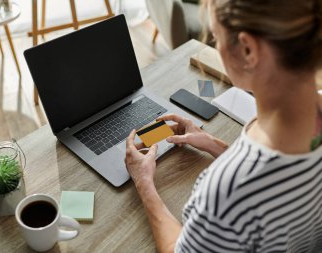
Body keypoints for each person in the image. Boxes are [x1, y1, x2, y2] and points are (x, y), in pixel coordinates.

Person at [125, 0, 322, 252]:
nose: (216, 46)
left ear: (248, 50)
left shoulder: (227, 192)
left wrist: (144, 183)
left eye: (216, 37)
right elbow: (280, 175)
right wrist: (212, 143)